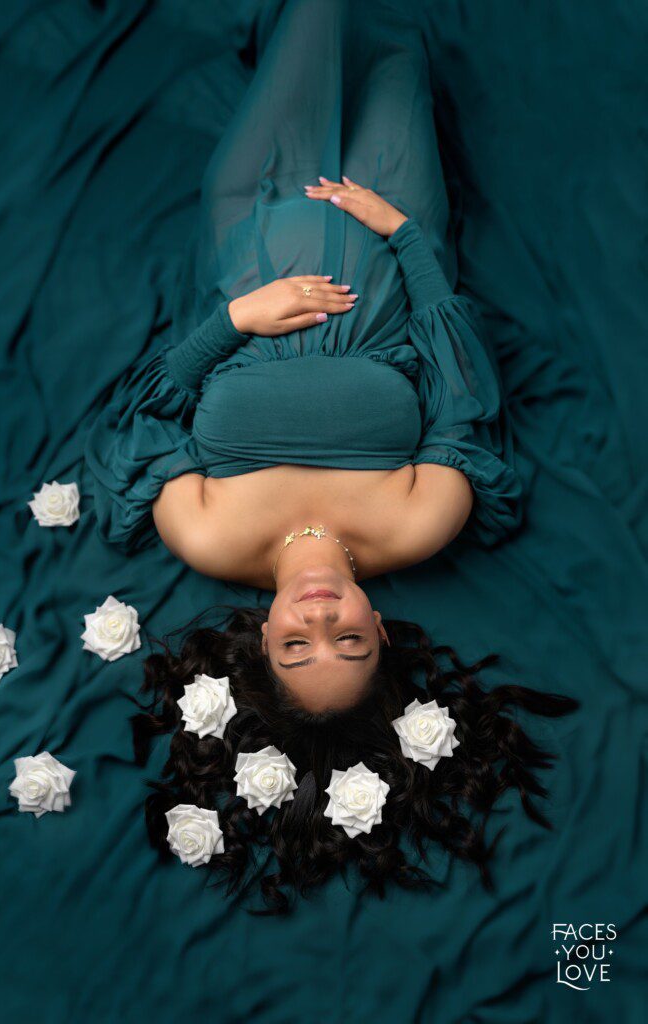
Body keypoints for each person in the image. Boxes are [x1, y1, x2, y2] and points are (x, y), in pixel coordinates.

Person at [85, 0, 576, 912]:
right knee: (396, 53)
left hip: (250, 237)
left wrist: (235, 319)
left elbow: (143, 409)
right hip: (385, 254)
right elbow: (461, 384)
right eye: (347, 640)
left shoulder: (205, 537)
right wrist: (407, 238)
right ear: (381, 632)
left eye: (296, 645)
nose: (320, 617)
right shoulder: (421, 523)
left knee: (315, 18)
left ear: (257, 643)